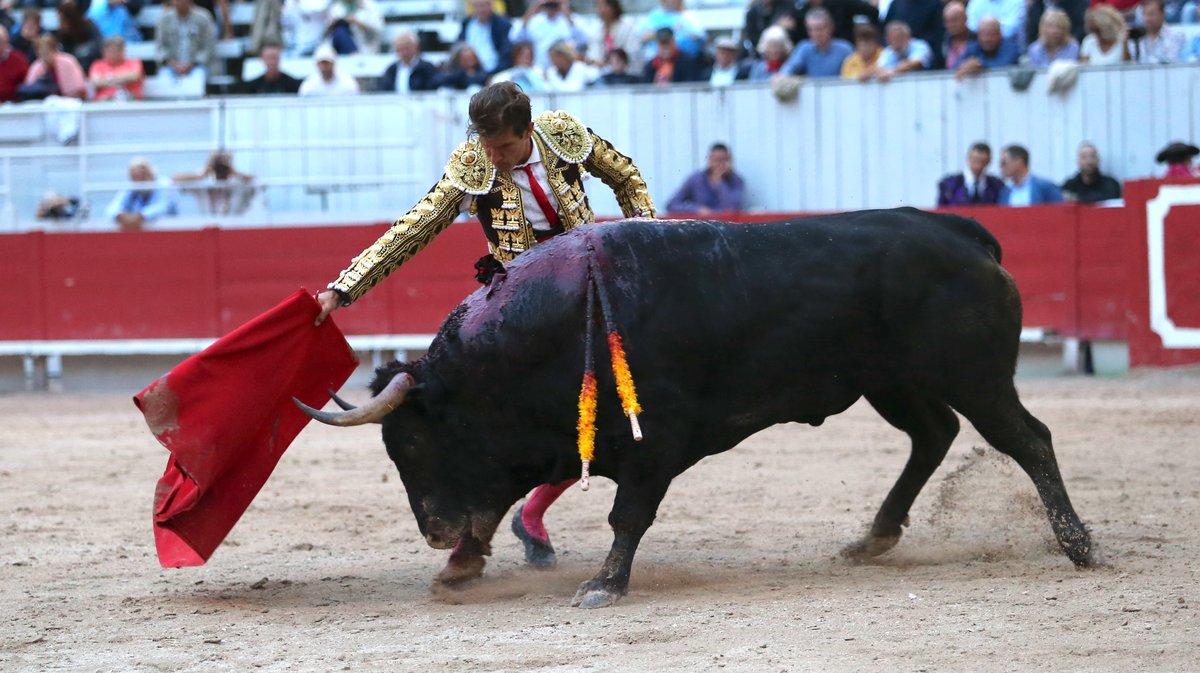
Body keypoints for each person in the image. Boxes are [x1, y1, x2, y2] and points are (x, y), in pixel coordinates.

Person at [312, 82, 655, 569]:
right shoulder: (473, 164)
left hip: (589, 287)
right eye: (487, 145)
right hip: (522, 301)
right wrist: (342, 289)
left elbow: (625, 176)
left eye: (504, 147)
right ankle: (470, 538)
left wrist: (643, 233)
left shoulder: (563, 135)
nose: (493, 157)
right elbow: (415, 227)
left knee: (611, 405)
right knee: (490, 417)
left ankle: (531, 513)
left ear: (528, 130)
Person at [666, 143, 745, 214]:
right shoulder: (696, 179)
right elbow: (672, 205)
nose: (721, 165)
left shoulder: (736, 180)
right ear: (709, 160)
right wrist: (697, 209)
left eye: (725, 160)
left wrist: (719, 183)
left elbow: (733, 208)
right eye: (717, 160)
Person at [155, 0, 216, 90]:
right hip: (171, 66)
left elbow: (209, 47)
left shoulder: (203, 17)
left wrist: (192, 63)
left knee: (196, 84)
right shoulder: (164, 19)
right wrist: (173, 63)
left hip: (197, 66)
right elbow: (160, 47)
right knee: (163, 83)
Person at [173, 151, 256, 215]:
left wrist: (234, 171)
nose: (220, 169)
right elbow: (175, 179)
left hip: (234, 227)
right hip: (209, 226)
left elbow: (256, 181)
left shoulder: (237, 182)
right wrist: (202, 175)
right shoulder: (203, 183)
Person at [105, 157, 178, 231]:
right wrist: (119, 216)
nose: (139, 179)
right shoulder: (130, 188)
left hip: (166, 232)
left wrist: (141, 216)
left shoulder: (165, 184)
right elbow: (112, 208)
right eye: (135, 176)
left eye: (143, 174)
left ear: (151, 173)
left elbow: (162, 207)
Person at [512, 0, 587, 69]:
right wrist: (533, 8)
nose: (551, 8)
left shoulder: (572, 20)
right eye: (549, 4)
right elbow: (516, 38)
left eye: (554, 4)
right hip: (539, 68)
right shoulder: (535, 21)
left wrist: (568, 16)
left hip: (563, 70)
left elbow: (583, 41)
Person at [781, 7, 853, 78]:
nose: (815, 34)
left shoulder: (845, 49)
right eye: (811, 30)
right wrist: (782, 76)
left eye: (819, 29)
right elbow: (790, 67)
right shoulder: (804, 48)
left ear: (830, 27)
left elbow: (856, 70)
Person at [21, 34, 87, 100]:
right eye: (40, 51)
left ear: (54, 49)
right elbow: (28, 90)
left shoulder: (68, 62)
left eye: (47, 51)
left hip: (70, 103)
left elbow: (79, 90)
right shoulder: (36, 66)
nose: (44, 54)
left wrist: (61, 101)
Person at [937, 142, 1004, 206]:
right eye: (975, 160)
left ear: (989, 161)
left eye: (982, 161)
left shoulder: (996, 186)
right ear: (968, 158)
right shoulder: (949, 184)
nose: (978, 165)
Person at [954, 16, 1019, 79]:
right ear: (978, 35)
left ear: (1000, 34)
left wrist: (979, 65)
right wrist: (964, 65)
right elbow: (953, 67)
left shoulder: (1011, 47)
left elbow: (1004, 66)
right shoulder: (973, 47)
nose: (987, 39)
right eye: (983, 34)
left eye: (991, 34)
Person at [638, 0, 705, 60]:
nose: (672, 1)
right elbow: (643, 37)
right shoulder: (655, 16)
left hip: (684, 62)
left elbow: (700, 37)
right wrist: (667, 32)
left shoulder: (689, 17)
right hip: (658, 64)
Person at [999, 144, 1064, 206]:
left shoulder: (1045, 188)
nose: (1001, 167)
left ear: (1019, 162)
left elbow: (1059, 212)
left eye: (1003, 163)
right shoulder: (1005, 192)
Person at [586, 0, 642, 71]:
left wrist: (617, 61)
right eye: (597, 6)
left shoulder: (628, 28)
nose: (599, 10)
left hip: (625, 74)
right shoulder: (597, 32)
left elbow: (634, 53)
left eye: (601, 6)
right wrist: (595, 61)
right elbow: (592, 54)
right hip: (602, 74)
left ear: (612, 7)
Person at [460, 0, 513, 73]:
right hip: (470, 71)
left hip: (495, 70)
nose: (483, 9)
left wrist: (495, 72)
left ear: (492, 5)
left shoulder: (503, 25)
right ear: (473, 6)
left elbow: (506, 52)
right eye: (479, 5)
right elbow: (459, 47)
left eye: (486, 5)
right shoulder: (466, 24)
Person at [89, 34, 144, 100]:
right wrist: (123, 79)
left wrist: (107, 79)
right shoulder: (97, 64)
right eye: (109, 51)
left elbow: (134, 76)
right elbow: (96, 82)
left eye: (114, 51)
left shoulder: (134, 62)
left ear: (122, 50)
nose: (112, 54)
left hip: (130, 103)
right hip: (103, 102)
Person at [55, 0, 104, 73]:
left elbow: (99, 45)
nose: (61, 24)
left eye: (62, 20)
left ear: (70, 20)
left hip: (92, 64)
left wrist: (83, 51)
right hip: (74, 68)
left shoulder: (88, 25)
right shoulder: (62, 34)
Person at [1132, 0, 1184, 64]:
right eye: (1144, 14)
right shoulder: (1136, 37)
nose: (1147, 19)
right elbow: (1132, 63)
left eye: (1151, 14)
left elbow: (1171, 61)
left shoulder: (1176, 36)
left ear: (1162, 14)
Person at [0, 25, 30, 103]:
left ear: (7, 42)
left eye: (1, 42)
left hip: (14, 106)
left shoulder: (19, 59)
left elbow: (28, 86)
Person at [940, 1, 973, 71]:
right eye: (947, 21)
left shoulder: (978, 39)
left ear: (965, 18)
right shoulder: (942, 42)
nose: (951, 25)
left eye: (954, 20)